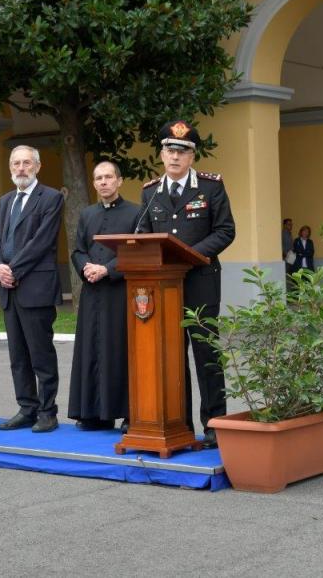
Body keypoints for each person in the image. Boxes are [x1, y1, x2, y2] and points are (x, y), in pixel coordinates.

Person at [137, 120, 236, 449]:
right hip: (165, 288)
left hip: (200, 283)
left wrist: (190, 255)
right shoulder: (151, 192)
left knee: (206, 355)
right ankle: (179, 425)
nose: (175, 157)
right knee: (172, 358)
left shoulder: (210, 187)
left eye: (182, 151)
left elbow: (225, 231)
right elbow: (143, 235)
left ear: (192, 157)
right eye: (170, 150)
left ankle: (214, 424)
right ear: (161, 155)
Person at [0, 145, 65, 433]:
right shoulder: (5, 200)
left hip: (35, 287)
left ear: (38, 166)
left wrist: (13, 270)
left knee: (41, 354)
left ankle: (47, 412)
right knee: (18, 356)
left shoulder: (51, 198)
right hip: (9, 289)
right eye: (16, 163)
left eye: (26, 163)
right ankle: (27, 408)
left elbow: (41, 242)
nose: (21, 168)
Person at [68, 161, 139, 431]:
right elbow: (78, 249)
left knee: (119, 351)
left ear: (119, 181)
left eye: (109, 177)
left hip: (119, 292)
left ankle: (128, 413)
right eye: (98, 178)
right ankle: (95, 413)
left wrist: (107, 269)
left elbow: (136, 250)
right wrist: (86, 268)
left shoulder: (136, 212)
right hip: (92, 290)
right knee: (91, 350)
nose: (104, 182)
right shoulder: (87, 214)